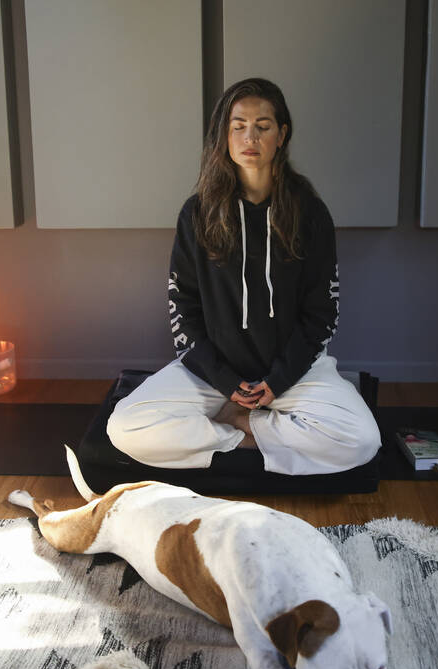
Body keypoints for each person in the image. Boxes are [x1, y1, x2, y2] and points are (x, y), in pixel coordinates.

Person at [106, 77, 380, 475]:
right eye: (238, 126)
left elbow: (322, 312)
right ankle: (245, 436)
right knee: (125, 427)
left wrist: (279, 380)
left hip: (293, 374)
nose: (250, 136)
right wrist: (223, 380)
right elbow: (183, 307)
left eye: (263, 126)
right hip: (213, 374)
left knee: (361, 440)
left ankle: (241, 422)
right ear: (225, 135)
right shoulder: (197, 213)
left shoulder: (310, 213)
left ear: (281, 135)